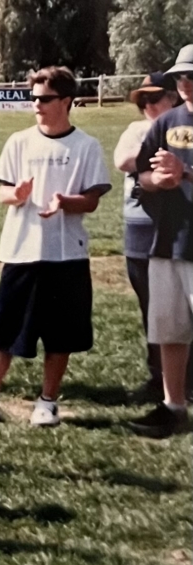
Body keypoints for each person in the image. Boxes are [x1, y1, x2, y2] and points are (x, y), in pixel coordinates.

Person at [0, 66, 111, 426]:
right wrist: (15, 195)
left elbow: (93, 199)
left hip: (66, 254)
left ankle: (47, 402)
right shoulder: (18, 141)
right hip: (21, 250)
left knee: (60, 334)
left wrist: (66, 201)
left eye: (45, 98)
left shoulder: (86, 146)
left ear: (66, 101)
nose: (36, 104)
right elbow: (3, 191)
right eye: (33, 97)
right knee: (3, 329)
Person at [130, 44, 193, 438]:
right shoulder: (168, 120)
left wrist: (184, 171)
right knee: (170, 329)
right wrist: (161, 180)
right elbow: (141, 175)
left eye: (192, 76)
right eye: (181, 77)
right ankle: (173, 406)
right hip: (168, 240)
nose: (185, 83)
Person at [113, 73, 186, 404]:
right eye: (143, 100)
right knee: (154, 309)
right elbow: (123, 160)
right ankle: (159, 378)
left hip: (176, 227)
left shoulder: (179, 128)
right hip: (140, 229)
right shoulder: (138, 129)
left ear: (173, 97)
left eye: (155, 98)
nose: (149, 106)